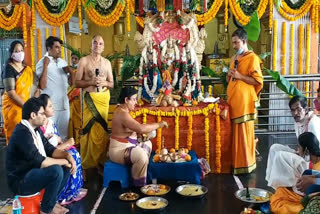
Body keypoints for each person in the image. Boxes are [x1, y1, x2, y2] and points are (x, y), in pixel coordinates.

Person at [6, 97, 76, 214]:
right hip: (20, 181)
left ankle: (51, 203)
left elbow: (50, 150)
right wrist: (64, 161)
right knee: (56, 170)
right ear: (33, 115)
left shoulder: (36, 130)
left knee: (65, 168)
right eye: (42, 114)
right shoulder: (22, 133)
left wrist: (68, 157)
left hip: (32, 173)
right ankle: (46, 210)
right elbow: (41, 161)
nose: (45, 116)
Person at [109, 87, 168, 186]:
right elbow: (140, 128)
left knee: (147, 143)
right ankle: (138, 185)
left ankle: (140, 171)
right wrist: (159, 124)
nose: (136, 102)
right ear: (126, 100)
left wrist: (140, 136)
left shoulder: (123, 110)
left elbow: (133, 129)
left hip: (128, 145)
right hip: (118, 151)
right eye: (134, 99)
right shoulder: (122, 113)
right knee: (141, 155)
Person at [75, 35, 114, 178]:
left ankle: (100, 163)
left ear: (103, 47)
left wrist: (104, 83)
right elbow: (77, 83)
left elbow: (112, 84)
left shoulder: (107, 63)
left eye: (101, 43)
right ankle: (84, 166)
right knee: (87, 131)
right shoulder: (84, 61)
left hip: (103, 99)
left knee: (102, 131)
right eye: (95, 42)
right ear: (91, 45)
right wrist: (91, 81)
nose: (98, 45)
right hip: (90, 99)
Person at [226, 28, 263, 174]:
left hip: (245, 104)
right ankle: (236, 164)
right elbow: (229, 80)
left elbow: (258, 80)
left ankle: (246, 165)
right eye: (233, 43)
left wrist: (240, 76)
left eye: (236, 43)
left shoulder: (252, 58)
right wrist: (229, 75)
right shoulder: (234, 59)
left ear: (244, 41)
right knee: (235, 136)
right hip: (234, 104)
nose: (234, 46)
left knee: (244, 135)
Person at [39, 94, 87, 205]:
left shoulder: (51, 123)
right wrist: (67, 144)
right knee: (70, 156)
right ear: (42, 109)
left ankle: (70, 191)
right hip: (48, 155)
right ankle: (60, 194)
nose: (53, 108)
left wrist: (58, 139)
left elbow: (58, 139)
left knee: (74, 153)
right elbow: (45, 151)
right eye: (50, 106)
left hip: (55, 149)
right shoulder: (39, 127)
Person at [266, 96, 320, 189]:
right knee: (274, 148)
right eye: (292, 110)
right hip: (303, 155)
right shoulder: (298, 120)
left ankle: (295, 187)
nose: (295, 113)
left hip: (311, 162)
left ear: (306, 109)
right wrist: (299, 152)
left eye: (298, 109)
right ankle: (272, 183)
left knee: (280, 156)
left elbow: (316, 152)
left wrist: (301, 154)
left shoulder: (313, 123)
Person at [270, 132, 320, 214]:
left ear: (306, 150)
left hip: (313, 200)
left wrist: (313, 181)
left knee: (280, 199)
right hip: (309, 195)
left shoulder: (318, 166)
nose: (297, 149)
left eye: (299, 147)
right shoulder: (315, 163)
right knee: (281, 191)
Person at [36, 36, 72, 141]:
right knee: (49, 136)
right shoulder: (41, 63)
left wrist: (71, 71)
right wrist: (45, 65)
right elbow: (41, 86)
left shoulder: (62, 62)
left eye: (60, 48)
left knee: (64, 136)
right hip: (50, 107)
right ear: (48, 49)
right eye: (56, 47)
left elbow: (71, 83)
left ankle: (63, 157)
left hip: (64, 106)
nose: (59, 50)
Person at [1, 40, 34, 145]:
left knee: (28, 138)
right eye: (16, 51)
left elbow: (36, 86)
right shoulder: (8, 68)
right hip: (13, 109)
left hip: (27, 108)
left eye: (21, 50)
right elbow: (11, 93)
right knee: (15, 137)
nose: (19, 53)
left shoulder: (27, 69)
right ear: (11, 53)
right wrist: (26, 107)